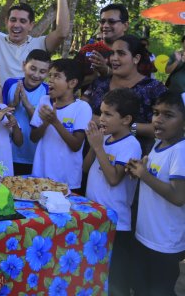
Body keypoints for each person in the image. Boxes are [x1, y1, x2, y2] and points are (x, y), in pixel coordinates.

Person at [126, 91, 185, 296]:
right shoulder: (159, 144)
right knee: (142, 288)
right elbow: (152, 176)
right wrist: (138, 170)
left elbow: (178, 197)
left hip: (164, 242)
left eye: (168, 115)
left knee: (159, 291)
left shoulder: (181, 151)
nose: (158, 119)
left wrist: (144, 175)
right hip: (146, 235)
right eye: (156, 113)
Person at [83, 88, 141, 296]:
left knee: (116, 280)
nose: (101, 118)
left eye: (108, 114)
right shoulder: (105, 139)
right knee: (95, 273)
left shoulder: (131, 145)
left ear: (126, 119)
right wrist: (93, 144)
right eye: (101, 112)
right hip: (96, 216)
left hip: (116, 223)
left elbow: (114, 179)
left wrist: (99, 147)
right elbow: (85, 167)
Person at [85, 34, 167, 154]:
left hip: (133, 160)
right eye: (112, 53)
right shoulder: (99, 83)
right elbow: (82, 110)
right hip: (92, 155)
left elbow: (164, 127)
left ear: (136, 58)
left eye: (121, 53)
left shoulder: (153, 88)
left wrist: (127, 127)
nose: (114, 58)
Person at [30, 58, 92, 190]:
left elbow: (76, 145)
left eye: (57, 76)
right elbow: (33, 138)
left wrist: (55, 122)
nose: (50, 80)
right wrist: (46, 122)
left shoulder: (82, 108)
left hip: (66, 181)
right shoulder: (44, 101)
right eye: (50, 75)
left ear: (72, 83)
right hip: (40, 176)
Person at [2, 49, 51, 175]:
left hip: (35, 155)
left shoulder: (48, 91)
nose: (36, 75)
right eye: (33, 68)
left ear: (48, 73)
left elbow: (43, 124)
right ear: (24, 65)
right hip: (9, 153)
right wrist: (14, 104)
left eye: (42, 71)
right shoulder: (10, 84)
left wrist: (28, 105)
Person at [76, 3, 130, 87]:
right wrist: (94, 76)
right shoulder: (88, 50)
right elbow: (70, 81)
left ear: (125, 26)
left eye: (111, 21)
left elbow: (141, 84)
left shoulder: (134, 51)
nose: (105, 25)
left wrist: (107, 71)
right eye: (102, 21)